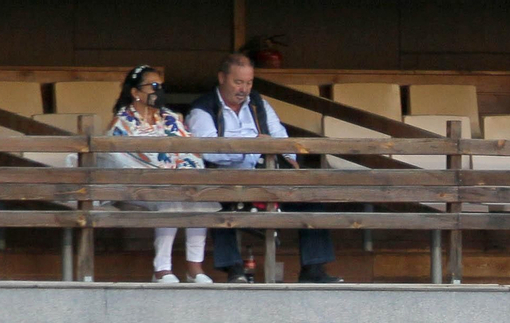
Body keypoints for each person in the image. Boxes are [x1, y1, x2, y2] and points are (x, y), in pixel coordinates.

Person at [188, 54, 343, 284]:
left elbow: (279, 134)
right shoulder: (202, 108)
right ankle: (235, 270)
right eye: (238, 82)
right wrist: (252, 144)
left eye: (249, 83)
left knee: (311, 197)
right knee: (217, 204)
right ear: (222, 78)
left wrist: (289, 158)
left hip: (268, 177)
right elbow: (207, 149)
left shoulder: (258, 102)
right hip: (226, 180)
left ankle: (313, 269)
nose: (244, 89)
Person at [104, 65, 216, 284]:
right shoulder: (123, 121)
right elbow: (120, 157)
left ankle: (195, 267)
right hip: (138, 184)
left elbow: (189, 148)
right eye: (153, 86)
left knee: (200, 196)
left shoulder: (170, 117)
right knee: (170, 196)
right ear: (136, 92)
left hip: (175, 180)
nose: (159, 91)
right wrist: (161, 175)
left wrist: (182, 174)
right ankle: (161, 269)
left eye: (161, 86)